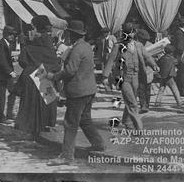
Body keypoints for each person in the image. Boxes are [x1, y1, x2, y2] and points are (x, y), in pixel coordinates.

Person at [47, 20, 105, 166]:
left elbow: (70, 70)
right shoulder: (86, 47)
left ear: (72, 34)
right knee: (85, 120)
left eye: (69, 34)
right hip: (89, 90)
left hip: (78, 92)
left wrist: (54, 76)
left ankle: (67, 156)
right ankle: (98, 144)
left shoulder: (76, 49)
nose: (67, 36)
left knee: (70, 124)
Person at [14, 15, 62, 140]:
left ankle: (31, 129)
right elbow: (53, 61)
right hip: (45, 75)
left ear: (37, 27)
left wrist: (25, 47)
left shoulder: (35, 41)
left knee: (31, 102)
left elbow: (23, 61)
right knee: (45, 102)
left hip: (34, 75)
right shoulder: (49, 40)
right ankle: (42, 126)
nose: (32, 29)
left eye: (33, 27)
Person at [103, 23, 159, 129]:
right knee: (133, 103)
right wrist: (105, 77)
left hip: (136, 77)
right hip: (123, 78)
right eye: (126, 33)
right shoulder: (118, 46)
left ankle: (126, 120)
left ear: (134, 33)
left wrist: (154, 65)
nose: (129, 35)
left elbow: (147, 57)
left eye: (131, 33)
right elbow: (110, 61)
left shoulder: (139, 46)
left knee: (131, 100)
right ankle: (138, 128)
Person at [0, 26, 17, 124]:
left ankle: (9, 113)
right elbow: (2, 60)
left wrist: (12, 60)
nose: (12, 36)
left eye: (13, 35)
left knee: (13, 92)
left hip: (5, 74)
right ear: (6, 34)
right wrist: (10, 71)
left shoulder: (6, 44)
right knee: (2, 96)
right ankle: (0, 117)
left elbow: (5, 58)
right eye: (10, 34)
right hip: (2, 75)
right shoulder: (1, 44)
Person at [135, 29, 154, 113]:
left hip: (148, 70)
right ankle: (143, 105)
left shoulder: (151, 45)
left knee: (147, 89)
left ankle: (147, 105)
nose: (144, 41)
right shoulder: (136, 45)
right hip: (140, 70)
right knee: (141, 89)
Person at [172, 16, 184, 96]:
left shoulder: (181, 32)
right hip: (181, 55)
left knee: (182, 73)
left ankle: (181, 89)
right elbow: (180, 46)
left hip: (181, 55)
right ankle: (182, 91)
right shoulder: (179, 33)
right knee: (182, 73)